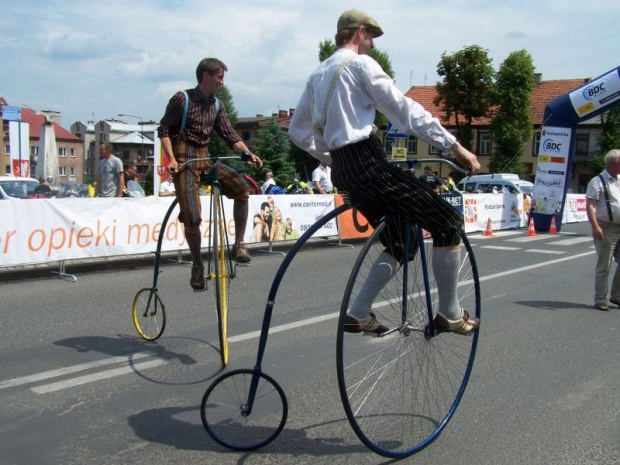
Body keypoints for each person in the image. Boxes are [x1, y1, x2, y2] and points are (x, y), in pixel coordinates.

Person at [289, 9, 481, 335]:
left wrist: (332, 158)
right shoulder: (361, 66)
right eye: (371, 37)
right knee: (449, 222)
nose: (373, 45)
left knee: (403, 242)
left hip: (345, 172)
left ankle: (359, 312)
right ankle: (449, 313)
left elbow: (297, 131)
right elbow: (404, 112)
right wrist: (454, 146)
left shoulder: (317, 76)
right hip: (369, 165)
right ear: (359, 31)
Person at [158, 58, 263, 290]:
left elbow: (229, 135)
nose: (222, 83)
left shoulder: (217, 105)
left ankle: (239, 245)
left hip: (205, 159)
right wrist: (172, 160)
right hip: (185, 160)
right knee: (193, 217)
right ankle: (197, 265)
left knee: (242, 188)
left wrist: (248, 154)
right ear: (206, 76)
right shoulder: (182, 99)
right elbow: (164, 130)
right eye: (219, 77)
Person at [585, 149, 620, 311]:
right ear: (613, 164)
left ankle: (616, 295)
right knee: (604, 265)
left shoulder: (618, 179)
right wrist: (596, 227)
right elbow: (590, 206)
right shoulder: (597, 181)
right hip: (606, 227)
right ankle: (600, 299)